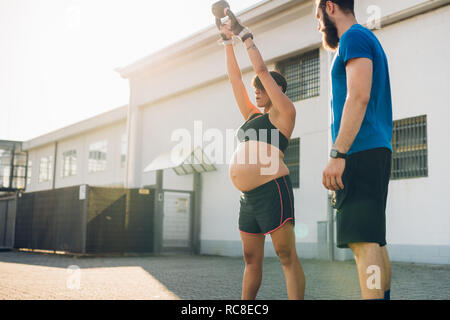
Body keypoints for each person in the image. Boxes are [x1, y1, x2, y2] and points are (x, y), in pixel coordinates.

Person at [216, 9, 305, 300]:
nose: (256, 90)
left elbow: (262, 73)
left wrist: (244, 36)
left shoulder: (285, 113)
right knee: (251, 259)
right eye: (255, 88)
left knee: (285, 255)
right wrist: (226, 41)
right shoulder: (252, 116)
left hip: (272, 190)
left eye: (261, 88)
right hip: (248, 198)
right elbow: (234, 81)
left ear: (278, 90)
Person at [315, 0, 393, 300]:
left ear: (330, 7)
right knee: (374, 240)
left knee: (364, 244)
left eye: (317, 16)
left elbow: (358, 96)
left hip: (360, 152)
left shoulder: (354, 37)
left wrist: (338, 154)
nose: (318, 24)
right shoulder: (362, 38)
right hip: (371, 150)